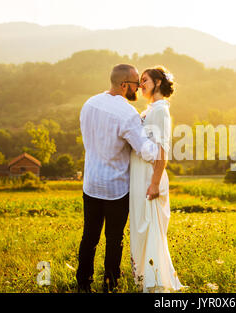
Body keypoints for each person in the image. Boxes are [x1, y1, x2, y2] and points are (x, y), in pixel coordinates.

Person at [76, 64, 160, 293]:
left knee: (89, 237)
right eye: (135, 84)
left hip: (91, 183)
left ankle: (83, 282)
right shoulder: (127, 113)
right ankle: (110, 283)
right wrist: (161, 147)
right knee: (114, 238)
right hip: (116, 188)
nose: (138, 88)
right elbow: (144, 149)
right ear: (124, 85)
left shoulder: (89, 104)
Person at [129, 66, 184, 293]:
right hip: (140, 176)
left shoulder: (160, 110)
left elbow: (162, 150)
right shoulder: (151, 109)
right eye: (140, 81)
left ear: (158, 83)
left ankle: (154, 283)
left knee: (149, 228)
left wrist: (154, 182)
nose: (140, 85)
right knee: (141, 228)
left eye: (145, 80)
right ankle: (144, 279)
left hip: (150, 178)